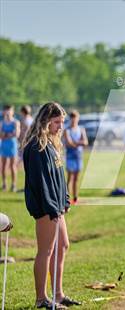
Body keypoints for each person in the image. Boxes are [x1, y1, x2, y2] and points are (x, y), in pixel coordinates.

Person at [22, 102, 81, 309]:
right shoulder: (36, 147)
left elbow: (58, 177)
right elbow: (40, 182)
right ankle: (41, 299)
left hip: (57, 207)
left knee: (63, 245)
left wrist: (64, 200)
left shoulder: (51, 143)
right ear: (45, 121)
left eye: (62, 122)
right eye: (56, 122)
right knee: (45, 251)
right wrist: (51, 207)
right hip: (47, 209)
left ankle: (58, 294)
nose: (60, 126)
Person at [63, 110, 88, 205]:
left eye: (75, 119)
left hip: (78, 156)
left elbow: (85, 142)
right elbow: (69, 144)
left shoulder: (81, 129)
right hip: (70, 156)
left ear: (78, 119)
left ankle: (75, 198)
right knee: (69, 178)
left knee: (76, 179)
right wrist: (79, 143)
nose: (74, 121)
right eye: (72, 119)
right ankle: (67, 199)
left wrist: (76, 143)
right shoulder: (67, 130)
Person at [0, 105, 20, 192]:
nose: (7, 113)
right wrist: (8, 134)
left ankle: (13, 185)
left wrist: (6, 135)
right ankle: (4, 184)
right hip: (4, 145)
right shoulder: (1, 123)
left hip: (12, 145)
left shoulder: (16, 122)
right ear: (4, 112)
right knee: (4, 166)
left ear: (12, 111)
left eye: (9, 111)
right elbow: (1, 135)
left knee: (13, 166)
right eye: (6, 111)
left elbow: (16, 134)